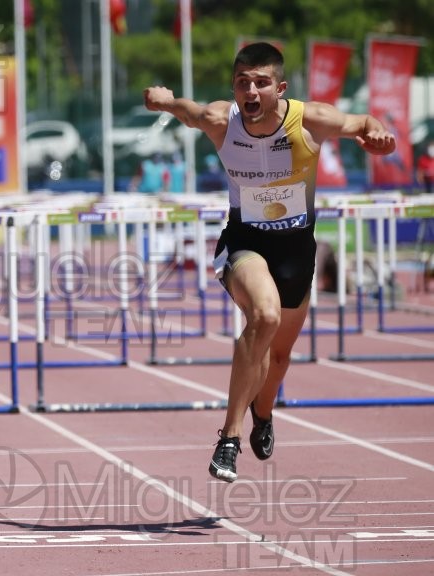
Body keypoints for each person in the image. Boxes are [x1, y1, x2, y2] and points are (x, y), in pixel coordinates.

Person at [144, 42, 395, 482]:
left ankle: (264, 415)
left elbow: (363, 123)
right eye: (243, 82)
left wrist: (376, 136)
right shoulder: (222, 121)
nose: (251, 90)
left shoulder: (310, 119)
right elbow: (185, 110)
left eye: (261, 82)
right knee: (263, 316)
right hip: (244, 243)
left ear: (280, 88)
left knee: (278, 358)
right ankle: (229, 438)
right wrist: (161, 99)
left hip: (296, 251)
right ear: (235, 88)